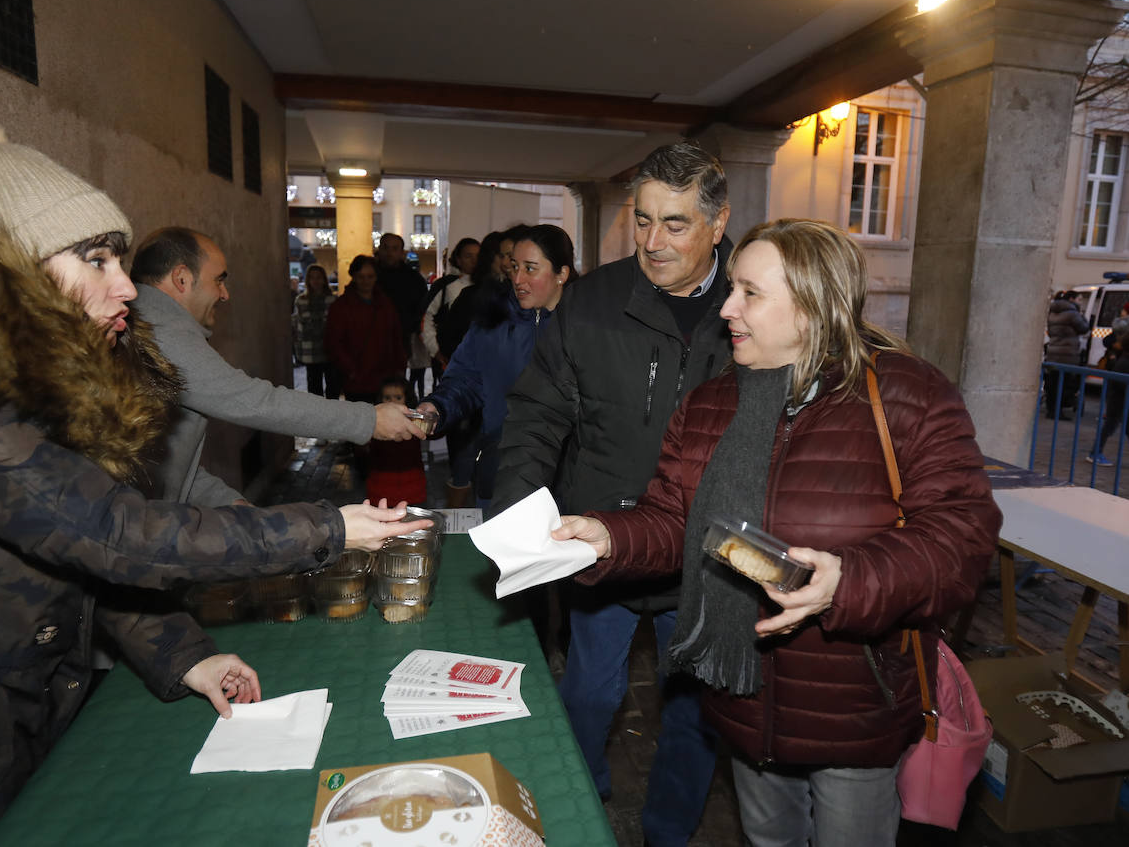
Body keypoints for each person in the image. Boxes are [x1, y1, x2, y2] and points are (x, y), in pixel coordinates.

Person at [0, 112, 424, 845]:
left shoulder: (43, 387)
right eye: (96, 260)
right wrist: (328, 525)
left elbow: (77, 564)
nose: (127, 288)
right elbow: (116, 536)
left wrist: (188, 657)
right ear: (9, 267)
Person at [553, 218, 1002, 846]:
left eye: (750, 293)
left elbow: (963, 538)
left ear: (814, 305)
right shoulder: (711, 403)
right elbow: (676, 520)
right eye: (732, 288)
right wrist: (605, 537)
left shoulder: (906, 395)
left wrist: (849, 581)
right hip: (742, 694)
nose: (727, 309)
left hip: (851, 707)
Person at [492, 144, 733, 846]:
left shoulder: (753, 305)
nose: (654, 243)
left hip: (706, 559)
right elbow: (538, 414)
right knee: (590, 693)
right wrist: (517, 509)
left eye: (677, 225)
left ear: (718, 225)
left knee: (693, 713)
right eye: (644, 221)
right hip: (605, 545)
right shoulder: (594, 302)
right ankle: (581, 802)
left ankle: (667, 831)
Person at [129, 231, 420, 508]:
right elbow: (256, 401)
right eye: (218, 281)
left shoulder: (152, 325)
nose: (224, 294)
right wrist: (369, 419)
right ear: (181, 278)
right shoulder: (162, 332)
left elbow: (163, 463)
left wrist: (227, 501)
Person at [418, 225, 573, 506]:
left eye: (530, 269)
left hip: (567, 482)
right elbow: (465, 379)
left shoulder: (585, 327)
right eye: (514, 267)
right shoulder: (492, 322)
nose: (517, 278)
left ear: (561, 274)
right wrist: (437, 407)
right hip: (501, 470)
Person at [431, 229, 519, 507]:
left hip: (521, 441)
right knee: (469, 460)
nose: (508, 264)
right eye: (504, 256)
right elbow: (458, 353)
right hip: (478, 411)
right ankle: (457, 511)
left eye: (518, 260)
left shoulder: (557, 316)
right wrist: (442, 400)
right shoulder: (476, 298)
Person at [325, 254, 408, 404]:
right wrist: (351, 371)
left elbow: (396, 336)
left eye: (370, 276)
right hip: (357, 380)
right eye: (361, 276)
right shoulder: (341, 306)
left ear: (376, 277)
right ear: (354, 277)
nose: (366, 281)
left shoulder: (386, 304)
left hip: (385, 378)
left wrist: (400, 366)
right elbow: (334, 343)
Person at [366, 376, 428, 506]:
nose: (392, 403)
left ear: (407, 399)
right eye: (387, 398)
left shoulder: (415, 423)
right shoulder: (374, 425)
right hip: (381, 492)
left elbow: (433, 432)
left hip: (412, 491)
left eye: (398, 398)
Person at [421, 236, 481, 369]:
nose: (474, 261)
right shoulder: (445, 285)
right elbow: (426, 318)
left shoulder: (489, 286)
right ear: (458, 260)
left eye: (478, 256)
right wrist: (436, 350)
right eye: (468, 256)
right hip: (449, 359)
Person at [374, 232, 430, 354]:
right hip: (371, 337)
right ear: (379, 250)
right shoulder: (370, 275)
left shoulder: (414, 279)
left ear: (401, 252)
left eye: (394, 249)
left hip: (402, 338)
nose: (389, 253)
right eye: (385, 248)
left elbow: (422, 309)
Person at [1090, 301, 1129, 465]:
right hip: (1122, 373)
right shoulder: (1122, 326)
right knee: (1114, 418)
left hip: (1121, 370)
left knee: (1120, 418)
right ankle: (1095, 452)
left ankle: (1096, 452)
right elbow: (1110, 341)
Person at [293, 264, 340, 398]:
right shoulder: (301, 300)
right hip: (310, 349)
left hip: (329, 348)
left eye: (318, 277)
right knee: (314, 386)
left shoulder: (332, 300)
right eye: (312, 278)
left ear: (324, 279)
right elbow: (299, 326)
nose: (315, 281)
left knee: (333, 385)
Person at [1044, 290, 1088, 419]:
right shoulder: (1073, 314)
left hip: (1053, 353)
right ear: (1071, 299)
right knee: (1063, 385)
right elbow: (1084, 328)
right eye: (1079, 299)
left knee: (1053, 384)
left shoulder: (1052, 312)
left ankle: (1051, 410)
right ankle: (1058, 411)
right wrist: (1082, 315)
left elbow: (1051, 332)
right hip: (1067, 355)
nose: (1080, 302)